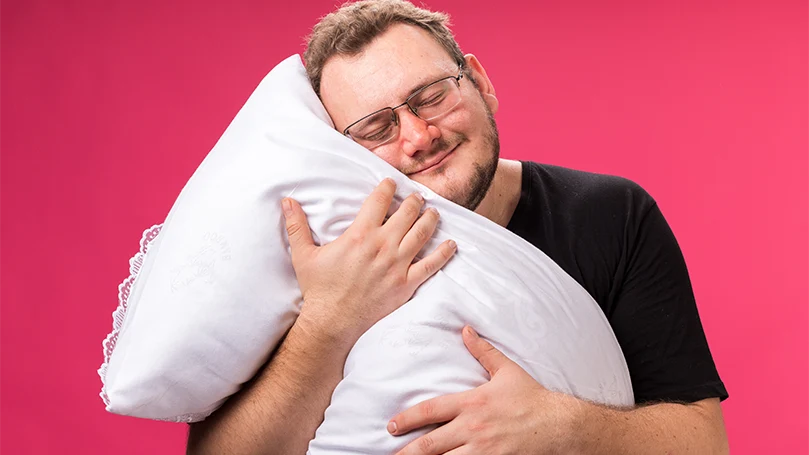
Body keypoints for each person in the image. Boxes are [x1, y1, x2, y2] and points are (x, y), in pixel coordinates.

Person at [187, 0, 729, 453]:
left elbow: (703, 443)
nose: (418, 136)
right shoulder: (314, 251)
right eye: (376, 127)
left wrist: (562, 427)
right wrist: (330, 319)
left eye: (433, 96)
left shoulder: (610, 214)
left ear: (481, 82)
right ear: (342, 154)